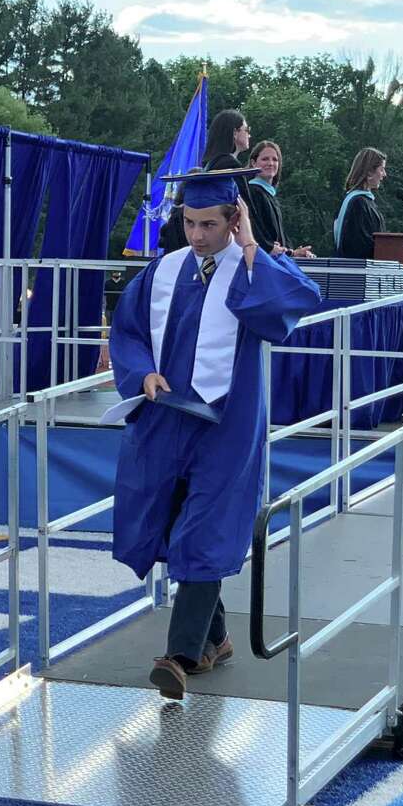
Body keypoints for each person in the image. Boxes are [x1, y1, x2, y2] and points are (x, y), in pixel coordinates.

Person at [108, 167, 321, 699]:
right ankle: (215, 639)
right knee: (172, 522)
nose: (197, 235)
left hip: (226, 425)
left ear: (234, 219)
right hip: (165, 421)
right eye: (189, 221)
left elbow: (291, 303)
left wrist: (251, 246)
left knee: (204, 530)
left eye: (209, 223)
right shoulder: (163, 272)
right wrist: (141, 374)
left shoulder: (252, 269)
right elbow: (128, 332)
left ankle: (178, 656)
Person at [246, 140, 315, 259]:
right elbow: (257, 234)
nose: (270, 163)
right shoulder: (253, 192)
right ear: (253, 163)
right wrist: (287, 252)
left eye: (275, 159)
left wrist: (293, 252)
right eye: (265, 159)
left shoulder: (269, 194)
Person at [334, 147, 388, 259]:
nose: (384, 174)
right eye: (381, 169)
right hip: (358, 271)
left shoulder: (360, 201)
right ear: (369, 172)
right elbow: (360, 246)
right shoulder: (358, 204)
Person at [202, 109, 253, 208]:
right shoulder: (229, 167)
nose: (249, 135)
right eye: (247, 130)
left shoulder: (213, 164)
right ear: (234, 133)